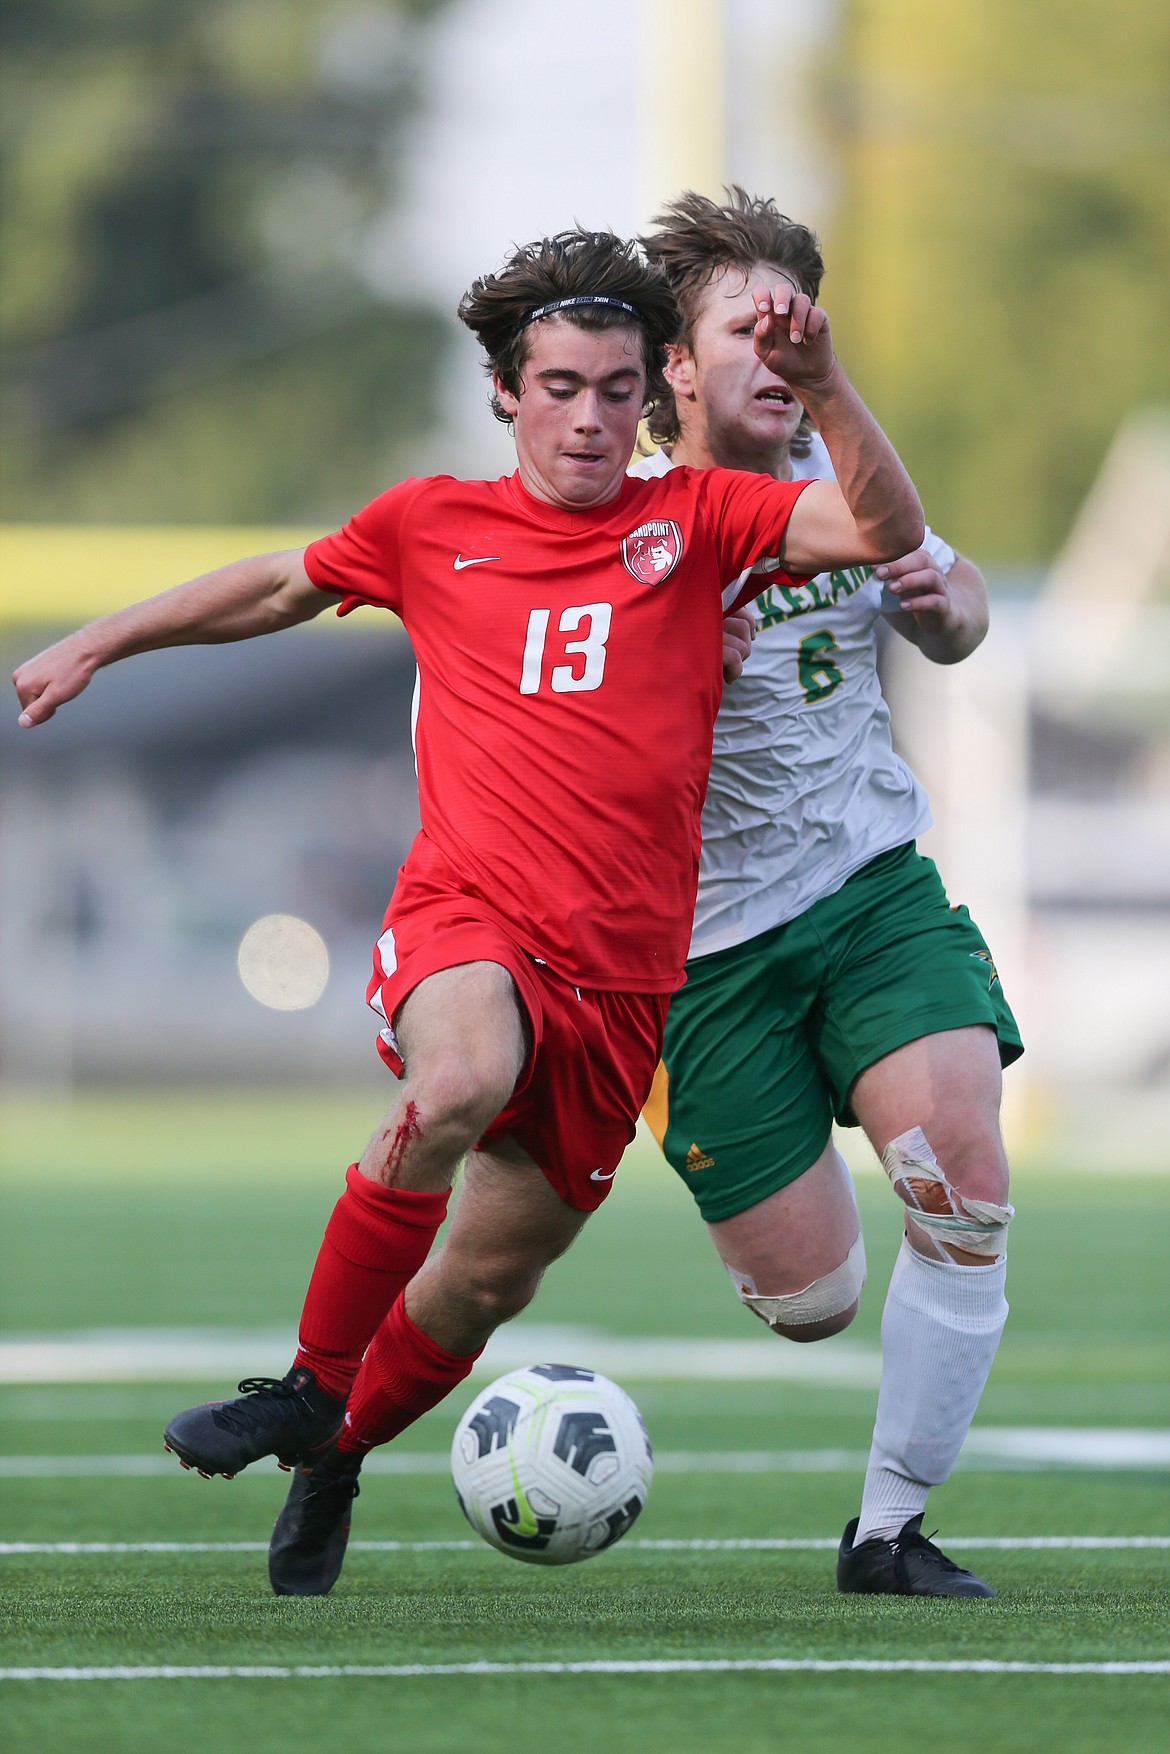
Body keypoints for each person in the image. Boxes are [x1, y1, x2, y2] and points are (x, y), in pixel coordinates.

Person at [13, 227, 923, 1598]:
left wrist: (831, 385)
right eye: (559, 385)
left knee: (481, 1283)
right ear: (508, 392)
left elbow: (881, 530)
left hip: (621, 985)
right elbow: (276, 584)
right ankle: (305, 1383)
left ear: (649, 399)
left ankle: (338, 1447)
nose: (589, 416)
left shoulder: (698, 522)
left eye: (618, 388)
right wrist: (99, 639)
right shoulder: (431, 523)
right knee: (457, 1077)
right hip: (469, 916)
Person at [635, 189, 1022, 1598]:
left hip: (867, 893)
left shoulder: (849, 478)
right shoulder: (624, 525)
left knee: (962, 1180)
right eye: (746, 328)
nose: (775, 354)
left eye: (794, 328)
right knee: (809, 1299)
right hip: (703, 954)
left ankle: (886, 1529)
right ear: (676, 366)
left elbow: (958, 599)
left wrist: (948, 610)